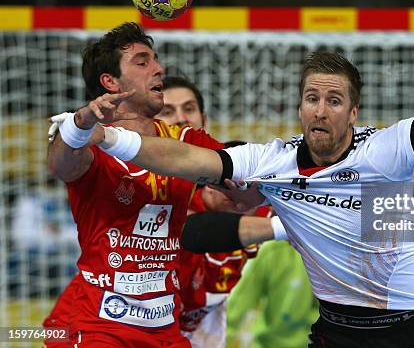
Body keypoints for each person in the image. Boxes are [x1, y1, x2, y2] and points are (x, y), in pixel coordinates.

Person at [87, 0, 414, 347]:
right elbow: (189, 159)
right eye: (312, 99)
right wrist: (110, 138)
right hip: (338, 329)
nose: (321, 111)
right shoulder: (274, 161)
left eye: (333, 100)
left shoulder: (384, 152)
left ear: (352, 110)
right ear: (300, 108)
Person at [45, 22, 279, 347]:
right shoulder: (89, 140)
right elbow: (60, 165)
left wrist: (257, 195)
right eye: (143, 62)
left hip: (164, 327)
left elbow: (247, 193)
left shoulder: (185, 139)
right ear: (110, 81)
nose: (159, 68)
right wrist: (78, 126)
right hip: (97, 325)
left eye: (156, 60)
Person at [156, 76, 278, 348]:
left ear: (203, 119)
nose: (180, 119)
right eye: (167, 112)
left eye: (188, 109)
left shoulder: (240, 173)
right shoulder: (146, 183)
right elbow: (193, 230)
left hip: (204, 328)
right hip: (138, 323)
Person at [226, 239, 319, 348]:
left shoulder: (320, 254)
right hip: (266, 343)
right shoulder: (271, 251)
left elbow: (324, 309)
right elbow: (237, 306)